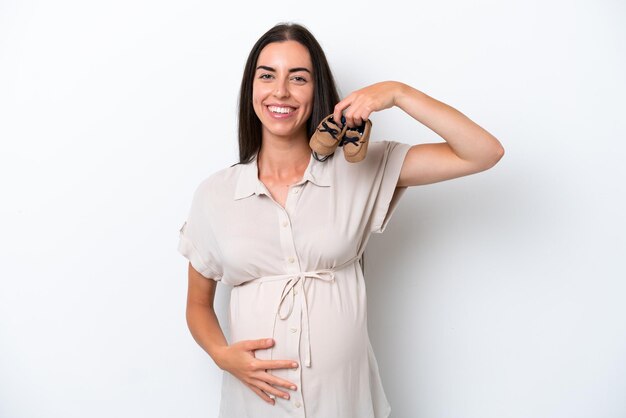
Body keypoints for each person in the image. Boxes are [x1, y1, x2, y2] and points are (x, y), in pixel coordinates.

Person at [178, 22, 504, 418]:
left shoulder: (360, 171)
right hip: (256, 407)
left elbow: (482, 152)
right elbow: (198, 304)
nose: (280, 91)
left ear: (317, 91)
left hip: (344, 404)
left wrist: (398, 93)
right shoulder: (215, 194)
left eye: (298, 78)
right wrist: (221, 355)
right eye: (267, 76)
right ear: (252, 88)